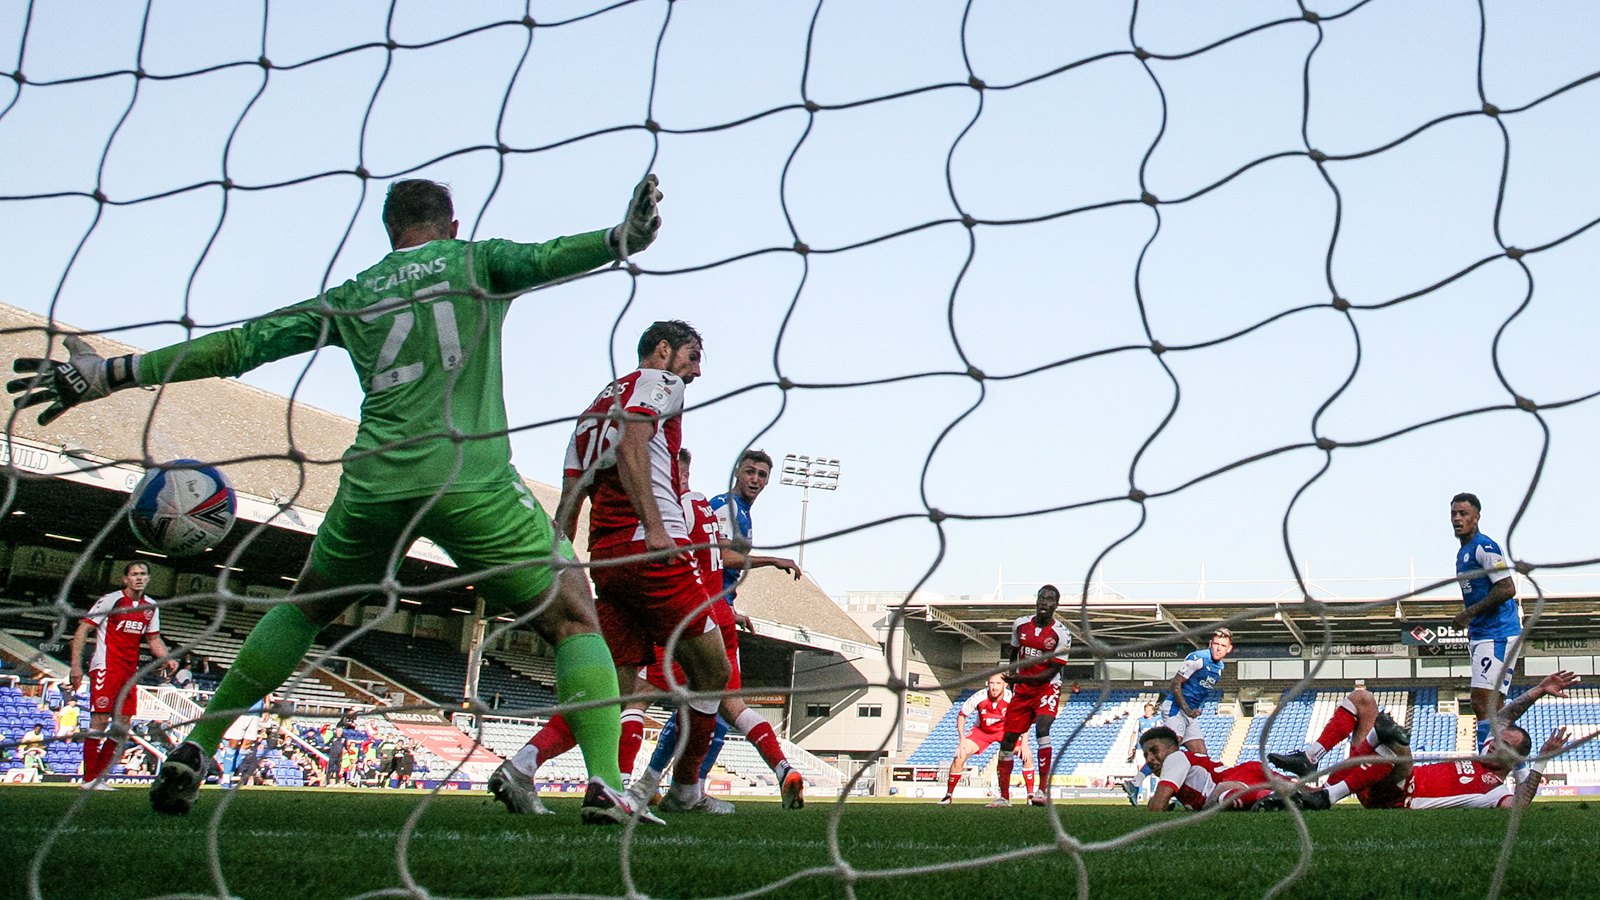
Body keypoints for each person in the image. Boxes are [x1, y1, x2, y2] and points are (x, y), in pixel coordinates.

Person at [9, 175, 665, 822]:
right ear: (451, 226)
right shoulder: (475, 261)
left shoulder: (354, 295)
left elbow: (242, 346)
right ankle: (604, 783)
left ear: (390, 232)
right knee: (574, 616)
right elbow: (549, 257)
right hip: (469, 480)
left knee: (306, 608)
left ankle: (201, 742)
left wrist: (113, 373)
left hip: (374, 484)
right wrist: (621, 237)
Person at [491, 321, 724, 817]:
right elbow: (633, 444)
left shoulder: (590, 411)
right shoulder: (659, 383)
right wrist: (656, 527)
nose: (698, 371)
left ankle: (530, 768)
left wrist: (562, 556)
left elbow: (572, 491)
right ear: (664, 350)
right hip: (652, 553)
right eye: (693, 356)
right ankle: (684, 790)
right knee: (715, 672)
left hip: (608, 558)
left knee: (616, 688)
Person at [628, 447, 806, 813]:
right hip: (695, 613)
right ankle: (643, 785)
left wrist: (731, 607)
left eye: (762, 475)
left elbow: (714, 566)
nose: (755, 479)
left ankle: (676, 786)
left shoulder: (740, 513)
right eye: (750, 472)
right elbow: (717, 556)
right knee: (657, 698)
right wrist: (771, 559)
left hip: (714, 611)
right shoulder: (722, 507)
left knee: (712, 709)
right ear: (736, 472)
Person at [1274, 670, 1580, 811]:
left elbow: (1521, 805)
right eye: (1496, 737)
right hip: (1369, 775)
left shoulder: (1495, 792)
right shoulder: (1480, 755)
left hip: (1397, 797)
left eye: (1503, 743)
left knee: (1397, 747)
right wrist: (1538, 690)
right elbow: (1503, 715)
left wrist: (1541, 760)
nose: (1492, 741)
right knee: (1362, 698)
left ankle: (1329, 794)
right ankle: (1312, 759)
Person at [68, 561, 177, 789]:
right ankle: (89, 779)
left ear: (148, 579)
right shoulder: (111, 600)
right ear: (125, 579)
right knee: (100, 720)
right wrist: (76, 666)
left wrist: (167, 658)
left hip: (129, 672)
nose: (139, 578)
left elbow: (153, 638)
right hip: (106, 667)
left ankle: (98, 778)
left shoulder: (150, 606)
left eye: (143, 574)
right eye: (134, 574)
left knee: (123, 725)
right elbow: (82, 630)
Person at [1450, 492, 1522, 751]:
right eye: (1454, 514)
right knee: (1495, 707)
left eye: (1464, 514)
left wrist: (1469, 614)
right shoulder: (1463, 554)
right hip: (1482, 633)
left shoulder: (1485, 547)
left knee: (1481, 703)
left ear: (1477, 517)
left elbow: (1506, 588)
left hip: (1499, 631)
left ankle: (1488, 767)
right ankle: (1512, 768)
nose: (1458, 519)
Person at [993, 585, 1070, 807]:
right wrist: (1013, 677)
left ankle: (1042, 791)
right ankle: (1004, 796)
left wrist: (1020, 680)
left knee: (1043, 728)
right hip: (1022, 690)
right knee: (1008, 739)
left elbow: (1053, 671)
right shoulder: (1020, 625)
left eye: (1050, 599)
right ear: (1036, 601)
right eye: (1041, 598)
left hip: (1047, 687)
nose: (1044, 603)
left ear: (1056, 604)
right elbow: (1014, 654)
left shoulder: (1062, 634)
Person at [936, 673, 1035, 805]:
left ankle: (1030, 796)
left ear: (1005, 685)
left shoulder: (1012, 698)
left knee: (1027, 756)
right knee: (960, 756)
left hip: (1006, 732)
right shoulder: (979, 697)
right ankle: (948, 796)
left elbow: (1024, 718)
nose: (994, 687)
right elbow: (961, 715)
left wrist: (1025, 743)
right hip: (983, 732)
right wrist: (962, 740)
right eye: (991, 683)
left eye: (998, 684)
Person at [1137, 725, 1273, 811]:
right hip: (1251, 772)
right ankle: (1282, 795)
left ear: (1172, 749)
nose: (1149, 759)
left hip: (1237, 778)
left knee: (1216, 800)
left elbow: (1157, 807)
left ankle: (1273, 796)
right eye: (1146, 755)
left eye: (1154, 750)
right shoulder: (1182, 771)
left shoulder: (1174, 757)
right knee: (1290, 789)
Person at [1123, 701, 1163, 805]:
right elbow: (1134, 733)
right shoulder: (1140, 721)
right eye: (1146, 710)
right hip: (1141, 748)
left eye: (1149, 710)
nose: (1147, 712)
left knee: (1154, 769)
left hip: (1152, 750)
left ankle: (1153, 792)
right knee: (1140, 769)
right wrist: (1131, 747)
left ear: (1153, 711)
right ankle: (1139, 793)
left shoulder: (1156, 721)